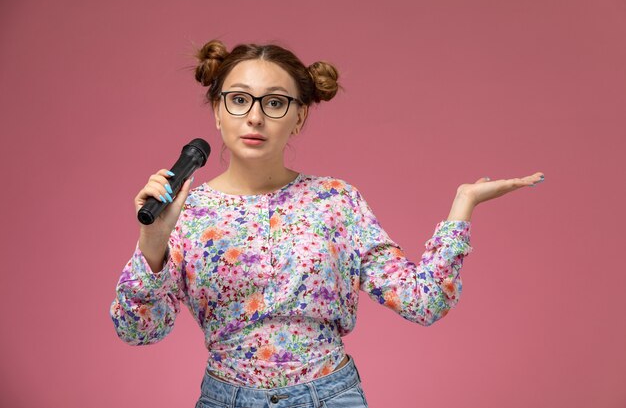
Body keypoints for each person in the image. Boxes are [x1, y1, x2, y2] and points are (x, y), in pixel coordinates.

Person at [110, 39, 545, 408]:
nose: (255, 117)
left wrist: (462, 206)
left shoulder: (336, 201)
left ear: (299, 116)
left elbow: (422, 302)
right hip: (227, 397)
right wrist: (153, 239)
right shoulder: (184, 210)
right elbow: (138, 331)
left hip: (330, 396)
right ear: (218, 111)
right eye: (239, 99)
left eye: (275, 102)